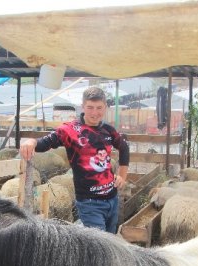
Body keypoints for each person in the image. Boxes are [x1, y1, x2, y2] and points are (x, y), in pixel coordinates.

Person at [19, 87, 129, 233]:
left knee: (111, 242)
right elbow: (46, 142)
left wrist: (122, 176)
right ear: (82, 106)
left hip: (112, 199)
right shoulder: (69, 130)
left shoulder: (108, 130)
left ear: (105, 107)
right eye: (90, 107)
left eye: (99, 108)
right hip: (90, 203)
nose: (95, 113)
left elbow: (124, 147)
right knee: (99, 248)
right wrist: (32, 142)